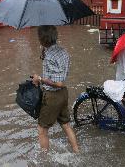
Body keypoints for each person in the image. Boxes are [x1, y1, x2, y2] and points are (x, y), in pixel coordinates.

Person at [32, 25, 79, 153]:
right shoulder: (62, 50)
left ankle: (44, 159)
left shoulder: (50, 56)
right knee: (65, 124)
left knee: (42, 130)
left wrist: (39, 79)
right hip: (63, 95)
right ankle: (76, 151)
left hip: (53, 96)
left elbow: (58, 83)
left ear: (42, 39)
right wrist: (44, 51)